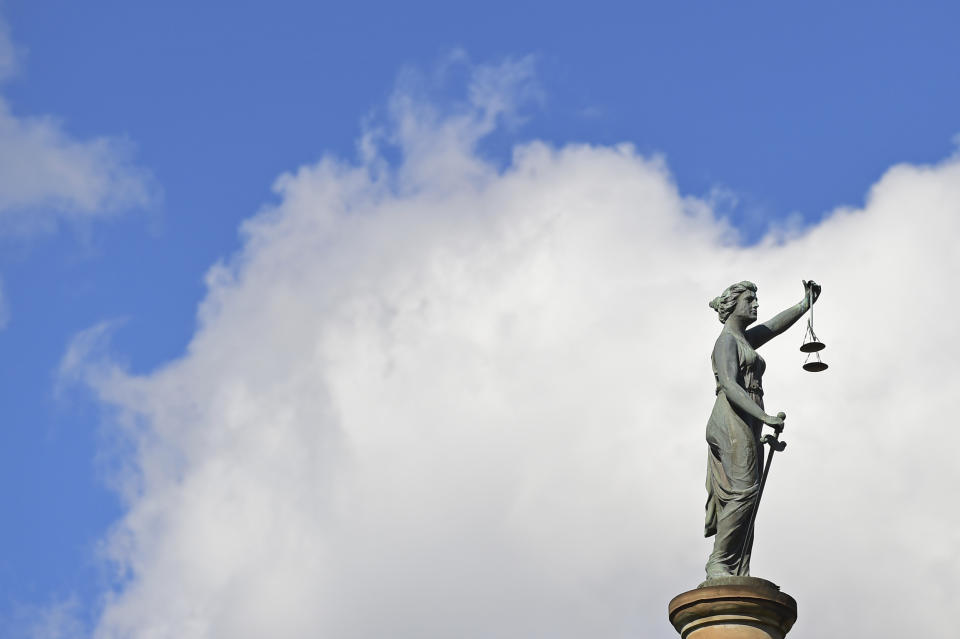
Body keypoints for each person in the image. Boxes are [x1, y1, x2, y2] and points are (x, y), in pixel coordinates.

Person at [704, 279, 820, 578]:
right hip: (731, 415)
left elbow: (774, 326)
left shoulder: (744, 339)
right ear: (733, 305)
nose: (755, 305)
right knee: (743, 490)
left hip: (749, 415)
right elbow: (729, 385)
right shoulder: (726, 342)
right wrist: (765, 416)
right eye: (749, 300)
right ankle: (719, 561)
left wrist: (804, 305)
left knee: (750, 495)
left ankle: (736, 565)